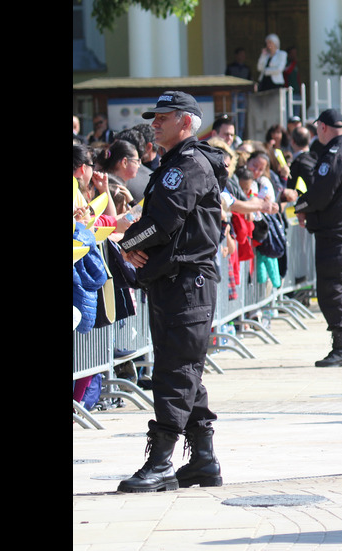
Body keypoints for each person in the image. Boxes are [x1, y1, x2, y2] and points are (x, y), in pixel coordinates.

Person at [116, 91, 226, 493]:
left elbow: (162, 221)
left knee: (174, 372)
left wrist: (128, 243)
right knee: (184, 369)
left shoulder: (188, 165)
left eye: (163, 116)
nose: (155, 123)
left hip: (187, 284)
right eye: (155, 116)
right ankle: (202, 461)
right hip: (173, 282)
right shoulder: (172, 164)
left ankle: (162, 461)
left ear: (185, 121)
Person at [292, 109, 342, 367]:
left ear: (322, 127)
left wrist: (300, 206)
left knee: (331, 289)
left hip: (335, 233)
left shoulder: (334, 155)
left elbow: (321, 194)